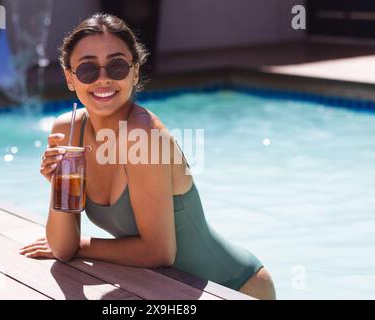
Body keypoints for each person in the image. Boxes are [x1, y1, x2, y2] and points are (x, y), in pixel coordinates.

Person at [19, 13, 276, 300]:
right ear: (70, 78)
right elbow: (63, 250)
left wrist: (84, 244)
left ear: (135, 72)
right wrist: (59, 185)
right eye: (88, 69)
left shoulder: (145, 136)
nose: (103, 79)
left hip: (233, 288)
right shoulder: (67, 130)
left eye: (116, 66)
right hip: (169, 291)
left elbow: (159, 252)